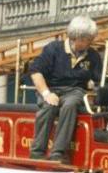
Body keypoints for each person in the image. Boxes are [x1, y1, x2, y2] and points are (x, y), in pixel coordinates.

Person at [27, 15, 101, 163]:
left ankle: (58, 153)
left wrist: (93, 88)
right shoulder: (53, 49)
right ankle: (37, 151)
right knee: (48, 107)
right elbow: (36, 72)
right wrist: (47, 93)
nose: (91, 41)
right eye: (89, 38)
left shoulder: (93, 56)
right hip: (51, 88)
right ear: (78, 37)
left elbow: (97, 82)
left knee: (70, 104)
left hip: (75, 90)